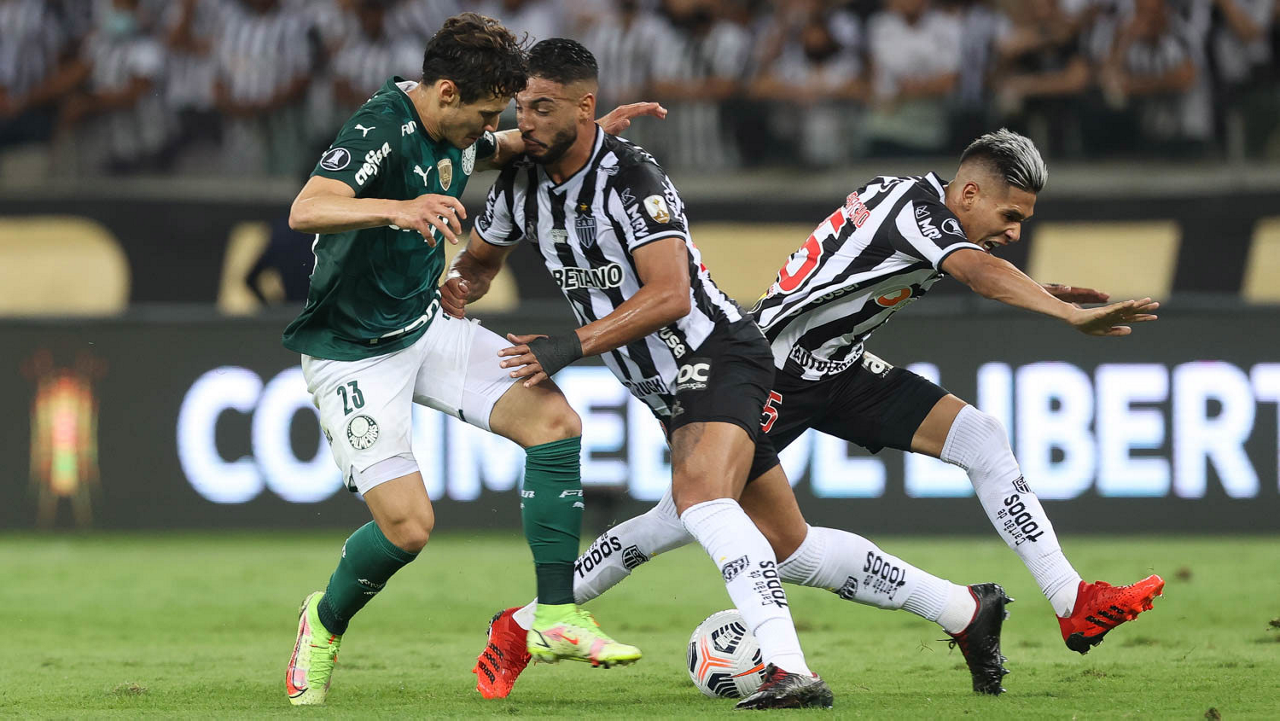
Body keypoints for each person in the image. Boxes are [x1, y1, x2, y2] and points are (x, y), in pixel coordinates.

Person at [472, 128, 1166, 696]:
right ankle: (524, 623)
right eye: (1009, 217)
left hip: (836, 367)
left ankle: (1069, 602)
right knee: (700, 519)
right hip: (769, 370)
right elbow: (973, 270)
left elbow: (946, 264)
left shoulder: (920, 208)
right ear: (970, 193)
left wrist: (1041, 290)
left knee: (980, 436)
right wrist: (1064, 313)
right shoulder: (918, 211)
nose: (1012, 232)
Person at [281, 14, 662, 706]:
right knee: (408, 529)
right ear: (447, 92)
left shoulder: (458, 126)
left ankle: (555, 614)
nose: (490, 128)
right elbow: (307, 208)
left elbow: (503, 147)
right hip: (352, 352)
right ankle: (325, 619)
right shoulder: (380, 128)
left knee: (554, 421)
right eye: (485, 114)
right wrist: (396, 208)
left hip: (425, 325)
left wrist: (586, 131)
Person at [449, 38, 835, 710]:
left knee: (701, 499)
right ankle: (964, 610)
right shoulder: (520, 183)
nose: (526, 122)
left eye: (543, 108)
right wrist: (457, 285)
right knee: (781, 539)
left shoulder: (632, 178)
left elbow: (670, 294)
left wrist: (568, 345)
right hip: (657, 384)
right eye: (521, 108)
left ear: (585, 106)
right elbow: (480, 262)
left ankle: (787, 668)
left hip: (717, 350)